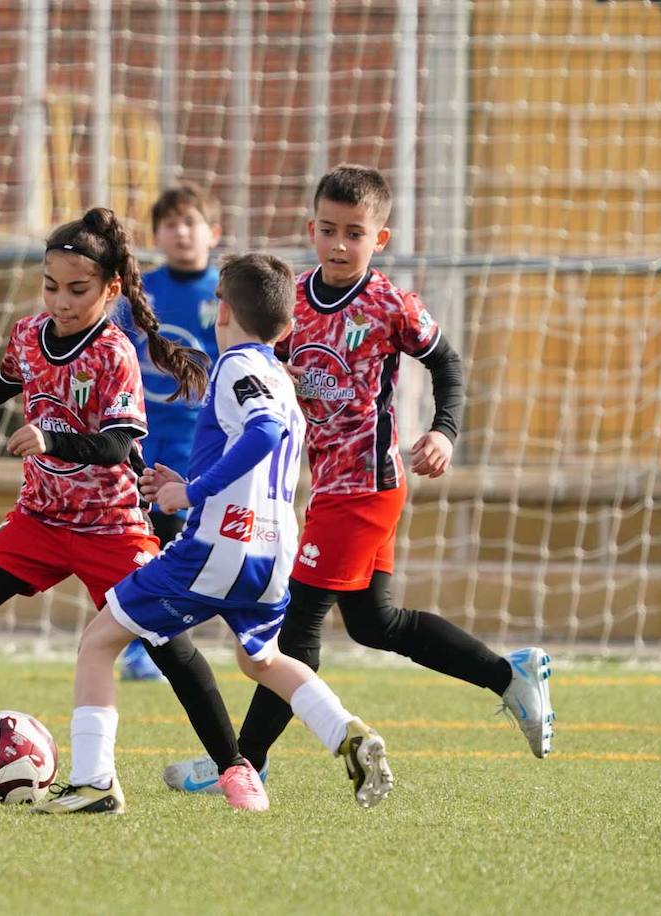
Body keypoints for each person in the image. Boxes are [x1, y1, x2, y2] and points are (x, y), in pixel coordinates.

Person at [164, 165, 555, 795]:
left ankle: (243, 761)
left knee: (298, 629)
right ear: (310, 229)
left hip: (368, 486)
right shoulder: (292, 303)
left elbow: (448, 364)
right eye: (327, 230)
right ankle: (508, 675)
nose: (339, 244)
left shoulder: (390, 304)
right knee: (377, 624)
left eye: (354, 233)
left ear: (381, 238)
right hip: (328, 491)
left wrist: (443, 430)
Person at [0, 207, 237, 777]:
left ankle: (236, 767)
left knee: (167, 643)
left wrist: (51, 437)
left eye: (79, 290)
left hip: (111, 526)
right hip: (40, 520)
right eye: (51, 286)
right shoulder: (29, 333)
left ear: (111, 289)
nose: (61, 301)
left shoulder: (114, 353)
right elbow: (11, 377)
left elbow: (117, 444)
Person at [32, 253, 393, 815]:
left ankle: (94, 781)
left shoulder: (236, 366)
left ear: (220, 309)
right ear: (290, 324)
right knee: (263, 660)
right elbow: (258, 439)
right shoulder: (278, 372)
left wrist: (191, 495)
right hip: (273, 553)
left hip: (219, 547)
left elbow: (264, 432)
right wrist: (189, 480)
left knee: (99, 641)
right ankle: (346, 732)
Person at [115, 183, 224, 681]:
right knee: (136, 539)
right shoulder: (139, 295)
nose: (182, 232)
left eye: (191, 222)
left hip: (194, 442)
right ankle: (139, 639)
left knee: (177, 541)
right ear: (156, 234)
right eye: (171, 223)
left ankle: (157, 638)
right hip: (136, 437)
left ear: (213, 233)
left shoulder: (225, 294)